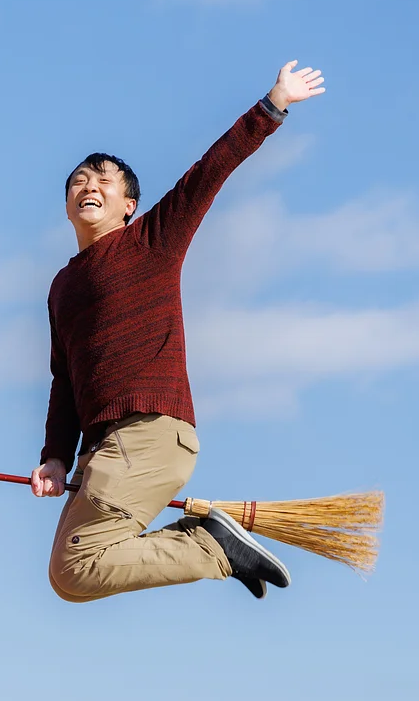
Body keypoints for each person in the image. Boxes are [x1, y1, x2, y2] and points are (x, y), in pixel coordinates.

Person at [31, 59, 325, 603]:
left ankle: (211, 546)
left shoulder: (150, 243)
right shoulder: (61, 287)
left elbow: (205, 176)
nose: (87, 185)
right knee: (69, 574)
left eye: (103, 179)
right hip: (106, 448)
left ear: (129, 206)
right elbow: (63, 382)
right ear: (68, 205)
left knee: (73, 568)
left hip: (150, 434)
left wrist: (272, 105)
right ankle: (209, 544)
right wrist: (55, 455)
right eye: (77, 180)